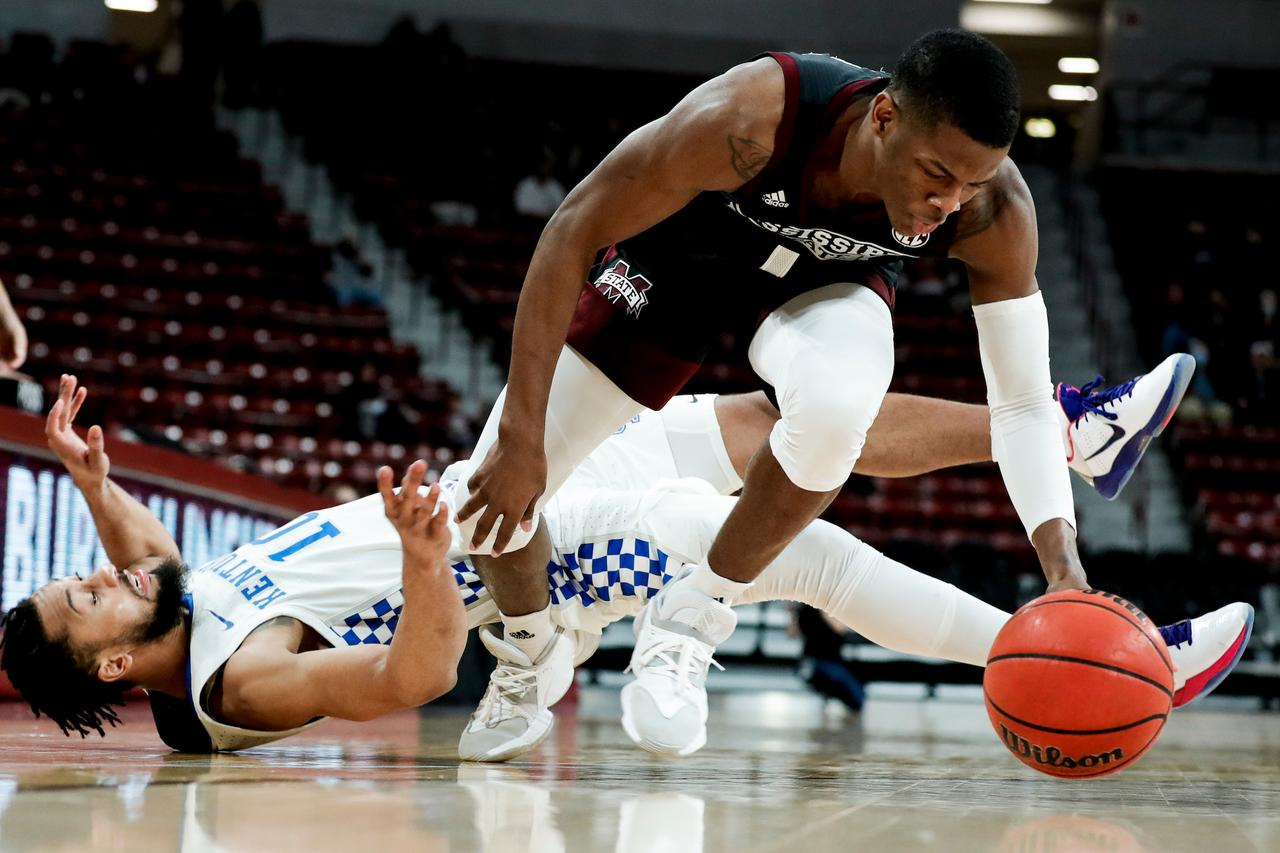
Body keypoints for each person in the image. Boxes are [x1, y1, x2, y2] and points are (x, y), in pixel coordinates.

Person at [448, 30, 1201, 758]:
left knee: (840, 414)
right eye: (936, 174)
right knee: (488, 501)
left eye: (972, 182)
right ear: (884, 117)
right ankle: (530, 652)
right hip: (680, 256)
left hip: (827, 280)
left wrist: (1063, 569)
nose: (949, 202)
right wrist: (518, 435)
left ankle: (692, 613)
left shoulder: (991, 210)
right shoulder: (750, 120)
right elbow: (571, 229)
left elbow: (1025, 404)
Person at [0, 375, 1251, 758]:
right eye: (88, 600)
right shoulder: (235, 684)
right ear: (111, 665)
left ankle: (1064, 431)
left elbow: (154, 564)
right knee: (800, 549)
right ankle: (1118, 655)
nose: (106, 576)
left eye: (85, 574)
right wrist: (431, 561)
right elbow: (404, 679)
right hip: (528, 549)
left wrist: (95, 485)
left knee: (777, 422)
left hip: (526, 485)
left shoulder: (187, 604)